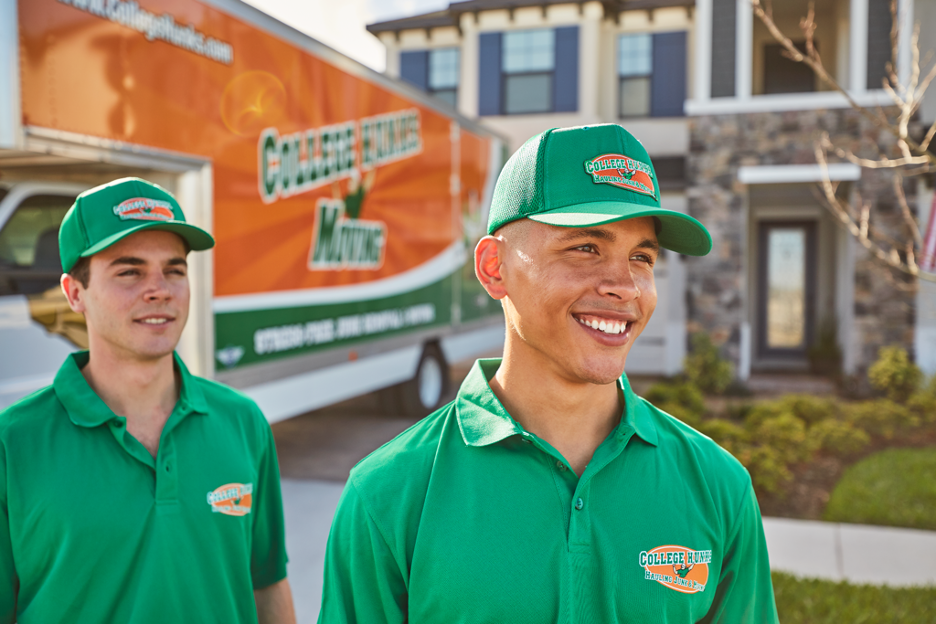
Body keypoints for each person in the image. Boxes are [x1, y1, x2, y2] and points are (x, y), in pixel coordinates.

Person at [317, 124, 779, 623]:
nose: (624, 286)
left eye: (642, 257)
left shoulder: (718, 487)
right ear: (495, 268)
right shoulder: (389, 494)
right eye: (585, 248)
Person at [0, 178, 295, 624]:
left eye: (174, 270)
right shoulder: (14, 444)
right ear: (74, 292)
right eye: (129, 271)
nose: (160, 289)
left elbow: (267, 583)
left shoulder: (243, 422)